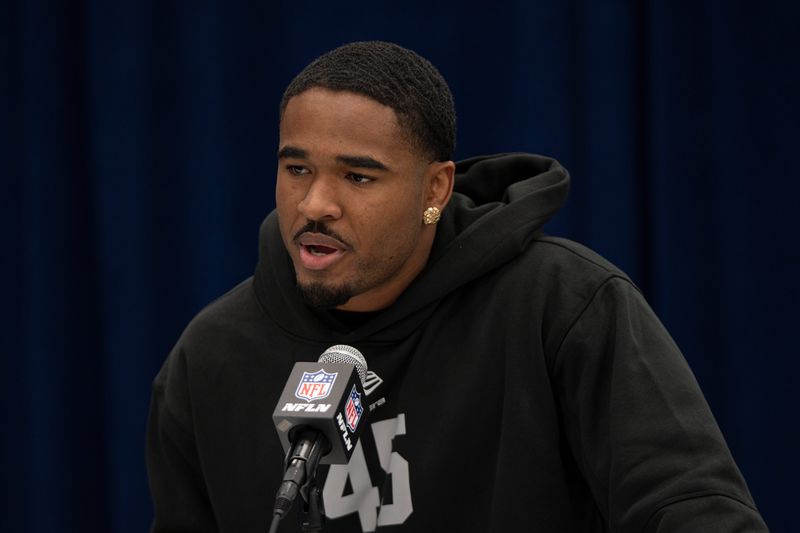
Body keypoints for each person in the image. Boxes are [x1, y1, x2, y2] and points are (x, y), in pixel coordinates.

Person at [147, 41, 767, 532]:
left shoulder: (564, 304)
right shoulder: (210, 357)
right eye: (296, 168)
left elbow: (692, 508)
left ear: (435, 190)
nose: (314, 204)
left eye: (358, 177)